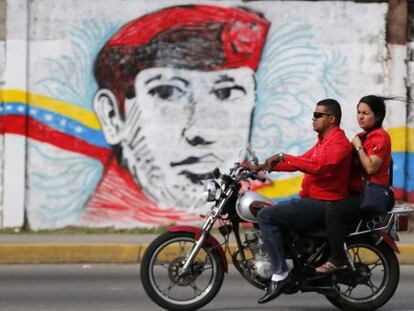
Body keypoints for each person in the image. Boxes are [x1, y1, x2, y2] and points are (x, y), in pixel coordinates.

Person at [84, 5, 270, 223]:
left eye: (227, 92)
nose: (201, 132)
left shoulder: (262, 199)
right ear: (112, 116)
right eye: (167, 92)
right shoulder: (107, 212)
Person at [244, 99, 352, 304]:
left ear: (332, 118)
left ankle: (280, 274)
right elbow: (300, 162)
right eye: (314, 114)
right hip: (312, 200)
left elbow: (318, 166)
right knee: (271, 211)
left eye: (318, 115)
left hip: (323, 203)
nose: (314, 118)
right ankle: (287, 260)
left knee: (266, 216)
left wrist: (285, 157)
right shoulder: (323, 142)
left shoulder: (338, 143)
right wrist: (264, 166)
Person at [316, 95, 393, 273]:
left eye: (366, 113)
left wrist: (357, 146)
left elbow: (371, 167)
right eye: (358, 112)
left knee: (334, 212)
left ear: (378, 116)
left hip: (372, 195)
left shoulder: (380, 137)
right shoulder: (363, 136)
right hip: (357, 192)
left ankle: (338, 259)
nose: (360, 117)